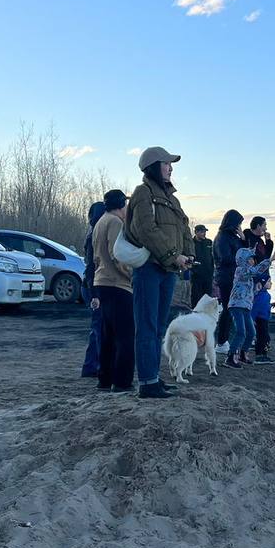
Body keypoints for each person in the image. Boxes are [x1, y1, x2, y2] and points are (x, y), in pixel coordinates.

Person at [125, 147, 194, 399]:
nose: (171, 168)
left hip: (168, 270)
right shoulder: (143, 194)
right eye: (167, 163)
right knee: (147, 326)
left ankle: (154, 377)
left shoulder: (172, 199)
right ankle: (147, 382)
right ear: (154, 166)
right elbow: (146, 230)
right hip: (149, 270)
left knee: (158, 327)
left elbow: (184, 229)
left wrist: (188, 255)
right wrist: (172, 255)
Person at [91, 189, 134, 393]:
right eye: (125, 205)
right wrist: (131, 276)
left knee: (108, 334)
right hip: (117, 284)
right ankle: (122, 382)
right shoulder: (115, 223)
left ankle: (104, 379)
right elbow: (118, 254)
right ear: (121, 205)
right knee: (125, 335)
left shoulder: (100, 222)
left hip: (102, 281)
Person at [226, 248, 274, 368]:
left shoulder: (248, 274)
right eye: (250, 259)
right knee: (241, 332)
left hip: (246, 306)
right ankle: (231, 357)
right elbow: (256, 271)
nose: (253, 261)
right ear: (244, 260)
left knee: (251, 332)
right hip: (237, 305)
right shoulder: (241, 270)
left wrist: (255, 290)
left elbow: (248, 288)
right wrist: (269, 261)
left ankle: (243, 353)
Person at [212, 209, 246, 351]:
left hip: (233, 276)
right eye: (239, 224)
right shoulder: (222, 237)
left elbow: (244, 252)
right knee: (228, 308)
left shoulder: (233, 237)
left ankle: (224, 339)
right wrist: (240, 260)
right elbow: (224, 258)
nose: (240, 227)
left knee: (231, 308)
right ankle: (221, 341)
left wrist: (243, 239)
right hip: (226, 277)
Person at [80, 200, 107, 378]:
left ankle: (91, 366)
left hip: (91, 286)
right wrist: (95, 294)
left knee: (97, 328)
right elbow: (92, 267)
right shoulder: (95, 237)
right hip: (94, 287)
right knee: (99, 328)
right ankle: (93, 366)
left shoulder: (92, 233)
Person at [251, 277, 275, 364]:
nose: (271, 283)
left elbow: (262, 306)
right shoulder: (261, 295)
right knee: (262, 336)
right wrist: (252, 319)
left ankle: (262, 354)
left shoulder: (264, 294)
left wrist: (270, 305)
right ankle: (260, 355)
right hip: (261, 319)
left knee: (263, 336)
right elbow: (255, 308)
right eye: (268, 281)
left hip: (264, 318)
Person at [190, 225, 214, 309]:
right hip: (196, 275)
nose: (204, 234)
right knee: (196, 297)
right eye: (202, 232)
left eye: (205, 232)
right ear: (196, 232)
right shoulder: (191, 243)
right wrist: (193, 270)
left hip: (208, 275)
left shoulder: (209, 242)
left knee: (207, 297)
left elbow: (212, 257)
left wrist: (212, 271)